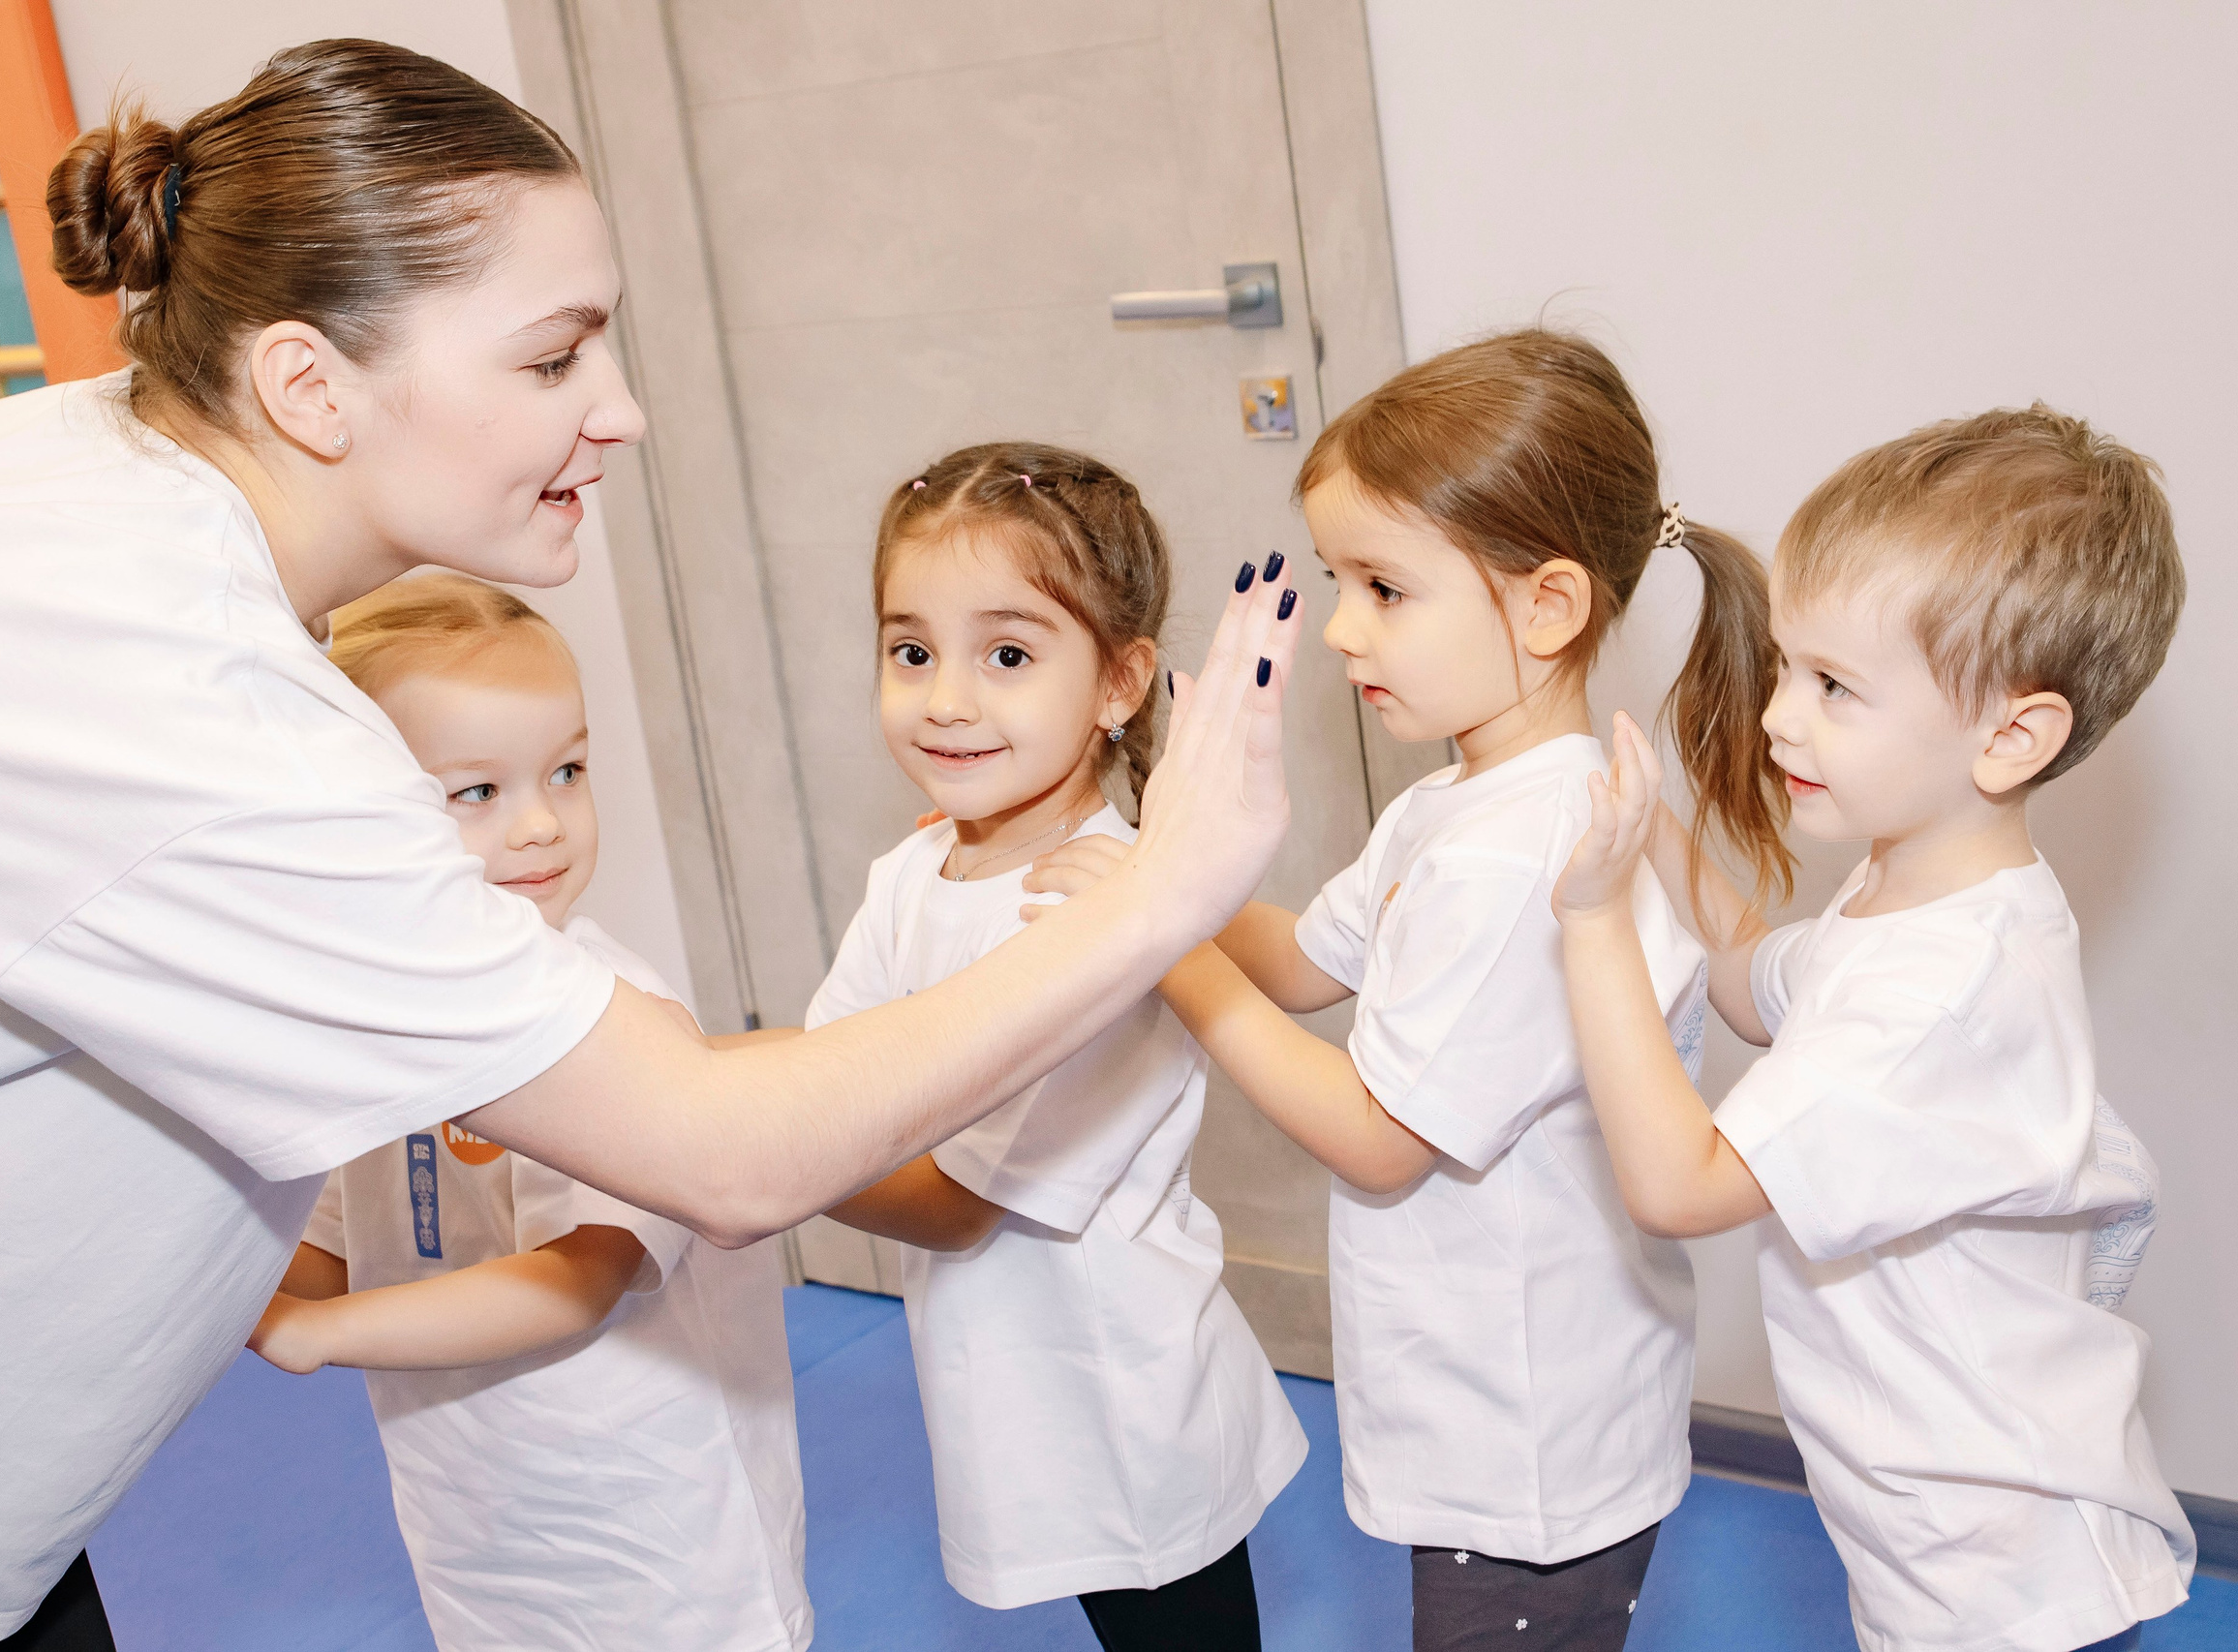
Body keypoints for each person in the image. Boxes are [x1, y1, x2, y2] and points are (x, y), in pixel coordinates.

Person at [0, 41, 1301, 1651]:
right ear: (309, 384)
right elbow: (731, 1156)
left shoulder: (49, 459)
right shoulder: (195, 714)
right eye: (555, 358)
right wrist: (1166, 893)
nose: (621, 412)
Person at [1031, 331, 1780, 1648]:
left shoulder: (1518, 856)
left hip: (1529, 1441)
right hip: (1496, 1403)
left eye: (1384, 585)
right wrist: (1170, 872)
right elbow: (1312, 962)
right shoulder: (1453, 804)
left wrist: (1170, 951)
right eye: (1335, 579)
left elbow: (1379, 1138)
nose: (1339, 626)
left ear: (1546, 606)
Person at [1549, 407, 2192, 1651]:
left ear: (2011, 736)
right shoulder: (1913, 889)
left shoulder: (1937, 988)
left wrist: (1589, 924)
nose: (1782, 715)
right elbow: (1750, 981)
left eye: (1836, 685)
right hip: (1928, 1508)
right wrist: (1642, 835)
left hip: (1987, 1545)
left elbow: (1679, 1183)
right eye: (1790, 665)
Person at [244, 574, 810, 1652]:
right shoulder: (370, 1023)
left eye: (566, 769)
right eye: (477, 793)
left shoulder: (612, 1020)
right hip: (480, 1518)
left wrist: (312, 1330)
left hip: (661, 1538)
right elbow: (321, 1244)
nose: (543, 822)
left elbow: (582, 1273)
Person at [803, 446, 1305, 1650]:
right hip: (1011, 1383)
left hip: (1123, 1399)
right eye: (911, 650)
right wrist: (790, 1127)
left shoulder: (1107, 908)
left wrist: (753, 1165)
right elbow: (825, 1076)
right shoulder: (910, 870)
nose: (947, 699)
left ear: (1121, 682)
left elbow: (949, 1200)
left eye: (1010, 655)